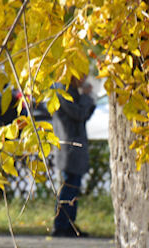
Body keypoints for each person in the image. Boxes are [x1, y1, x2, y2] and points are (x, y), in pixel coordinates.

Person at [52, 76, 95, 237]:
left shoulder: (70, 92)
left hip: (73, 148)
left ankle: (68, 224)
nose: (84, 79)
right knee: (69, 187)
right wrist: (85, 96)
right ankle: (61, 225)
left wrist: (88, 99)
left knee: (73, 187)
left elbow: (84, 114)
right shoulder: (63, 92)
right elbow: (78, 113)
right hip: (69, 148)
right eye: (81, 75)